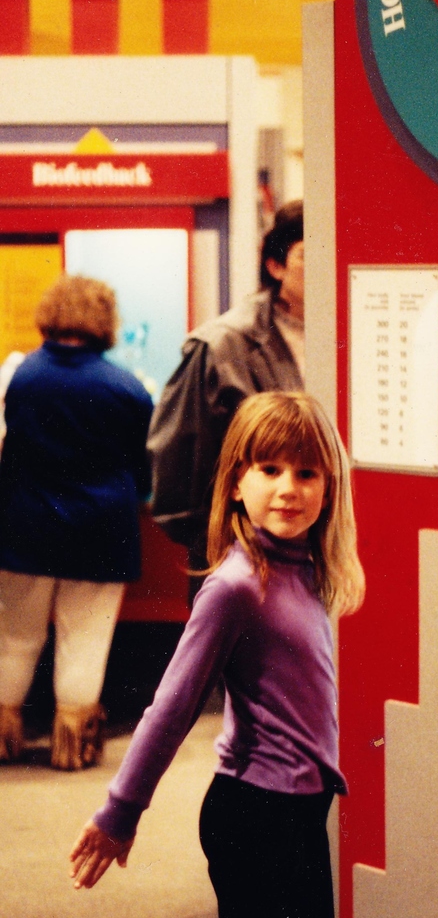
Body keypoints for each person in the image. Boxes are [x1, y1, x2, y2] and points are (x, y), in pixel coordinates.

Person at [69, 391, 365, 918]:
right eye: (269, 469)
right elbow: (171, 708)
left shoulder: (303, 568)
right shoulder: (236, 586)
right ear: (234, 484)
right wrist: (120, 811)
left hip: (299, 809)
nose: (288, 490)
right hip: (256, 813)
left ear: (329, 486)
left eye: (306, 474)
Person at [0, 275, 152, 770]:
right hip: (102, 528)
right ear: (104, 322)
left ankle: (5, 734)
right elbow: (142, 466)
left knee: (16, 634)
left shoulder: (16, 377)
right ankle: (72, 746)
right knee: (84, 636)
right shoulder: (129, 387)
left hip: (25, 523)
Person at [148, 201, 304, 582]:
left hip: (322, 545)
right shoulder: (222, 346)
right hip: (245, 556)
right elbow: (177, 471)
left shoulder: (354, 334)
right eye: (310, 254)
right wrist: (220, 550)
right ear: (276, 266)